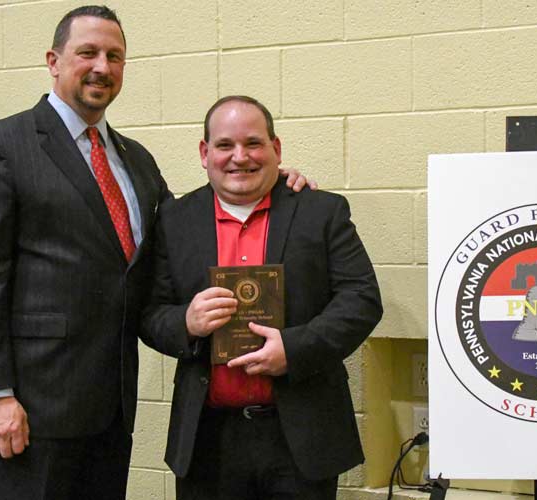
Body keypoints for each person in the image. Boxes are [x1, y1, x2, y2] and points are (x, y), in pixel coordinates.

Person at [0, 6, 310, 500]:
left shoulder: (134, 160)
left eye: (114, 56)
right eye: (88, 52)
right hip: (29, 410)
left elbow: (183, 228)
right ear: (54, 60)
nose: (102, 66)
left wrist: (276, 185)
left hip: (109, 409)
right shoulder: (1, 144)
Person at [142, 95, 383, 500]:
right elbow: (149, 314)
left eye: (253, 143)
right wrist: (186, 321)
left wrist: (294, 348)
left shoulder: (320, 211)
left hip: (299, 437)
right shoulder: (174, 220)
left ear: (276, 148)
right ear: (205, 153)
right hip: (207, 439)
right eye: (224, 145)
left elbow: (361, 299)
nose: (240, 157)